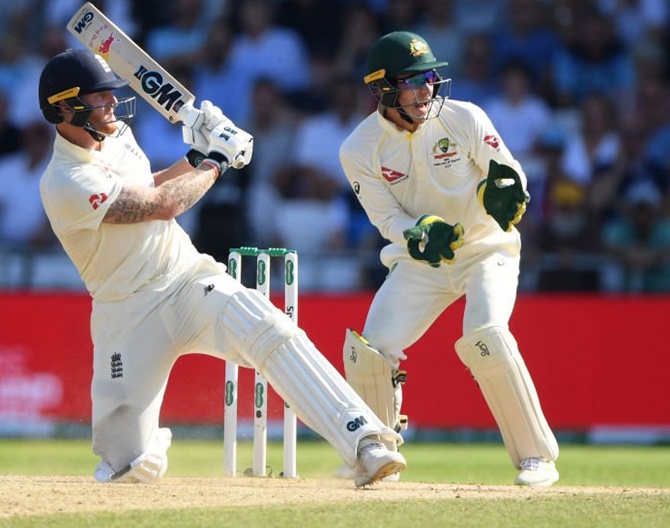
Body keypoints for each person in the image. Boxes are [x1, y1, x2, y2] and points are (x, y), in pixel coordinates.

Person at [37, 48, 405, 487]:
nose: (113, 103)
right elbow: (161, 204)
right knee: (128, 467)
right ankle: (140, 453)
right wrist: (218, 160)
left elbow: (149, 184)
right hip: (126, 314)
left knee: (268, 326)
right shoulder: (63, 181)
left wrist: (198, 152)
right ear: (64, 106)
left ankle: (364, 443)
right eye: (101, 97)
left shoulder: (116, 136)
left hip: (186, 278)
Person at [339, 31, 559, 486]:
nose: (426, 90)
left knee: (486, 336)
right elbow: (385, 217)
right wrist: (415, 234)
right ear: (381, 88)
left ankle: (536, 458)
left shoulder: (465, 117)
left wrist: (507, 189)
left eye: (431, 77)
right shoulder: (359, 149)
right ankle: (380, 455)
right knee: (368, 352)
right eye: (412, 80)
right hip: (422, 261)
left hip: (485, 248)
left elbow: (509, 173)